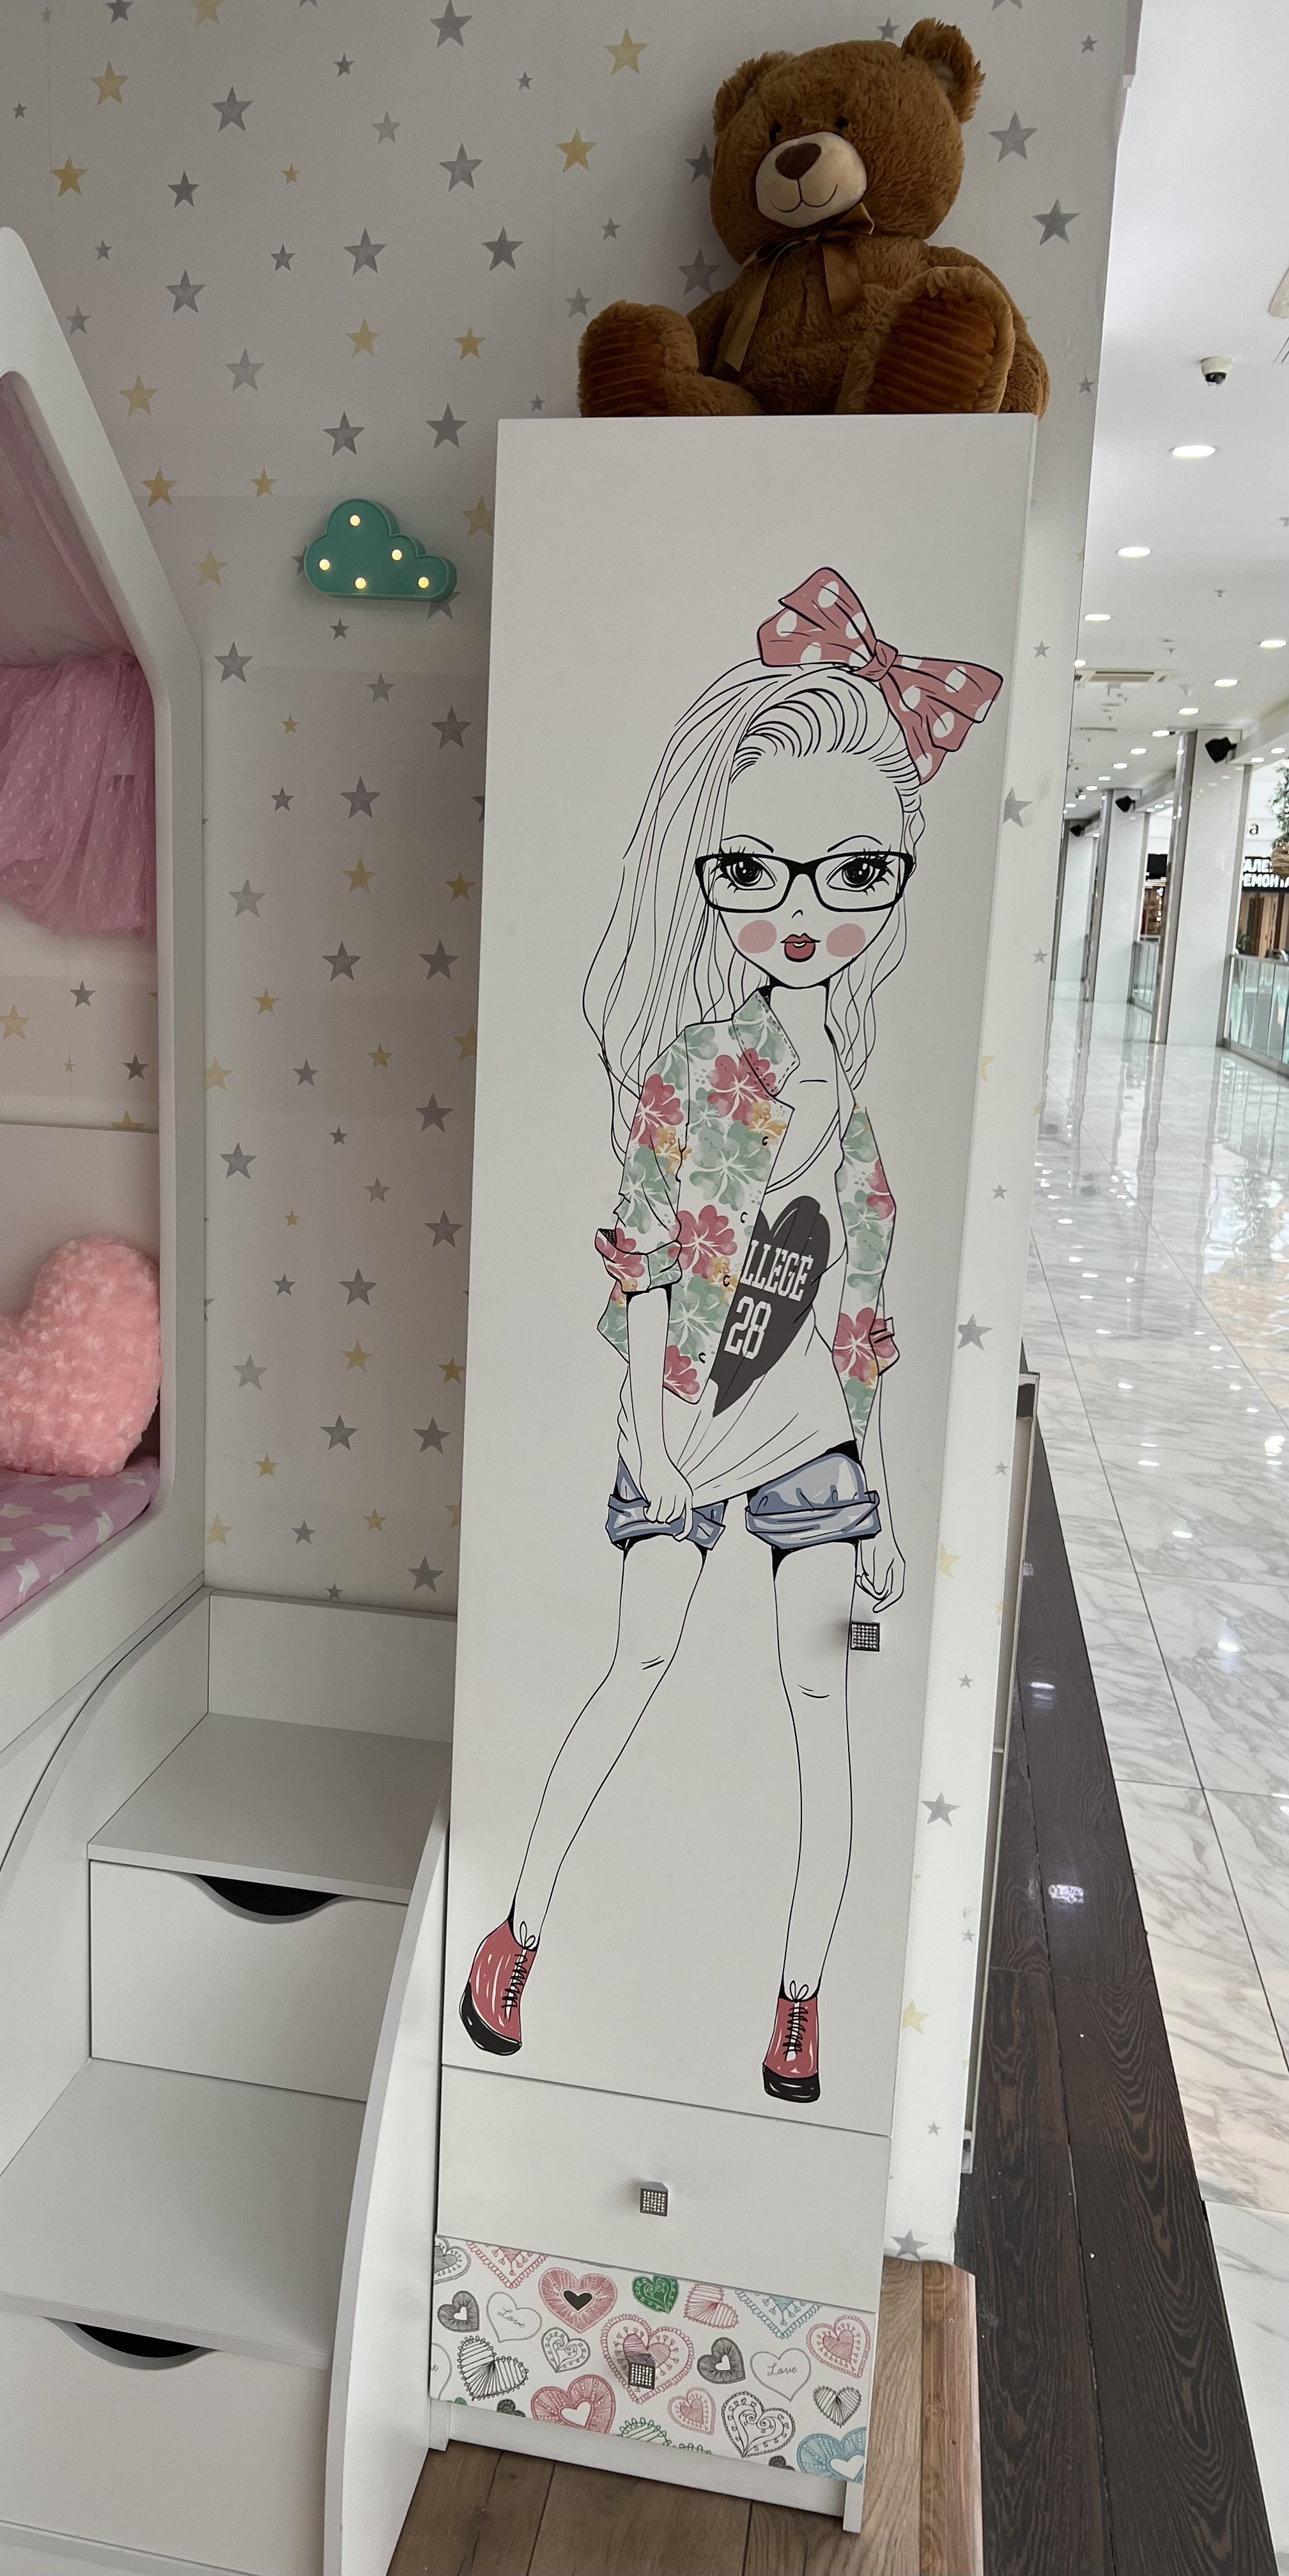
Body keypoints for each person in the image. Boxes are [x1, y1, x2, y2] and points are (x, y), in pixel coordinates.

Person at [459, 570, 1001, 2105]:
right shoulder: (700, 1068)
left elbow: (862, 1328)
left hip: (811, 1433)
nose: (804, 914)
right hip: (687, 1418)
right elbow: (644, 1258)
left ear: (892, 879)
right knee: (635, 1659)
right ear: (704, 874)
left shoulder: (867, 1114)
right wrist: (649, 1435)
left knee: (819, 1704)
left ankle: (798, 2002)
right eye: (756, 871)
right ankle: (516, 1936)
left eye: (853, 874)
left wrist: (875, 1497)